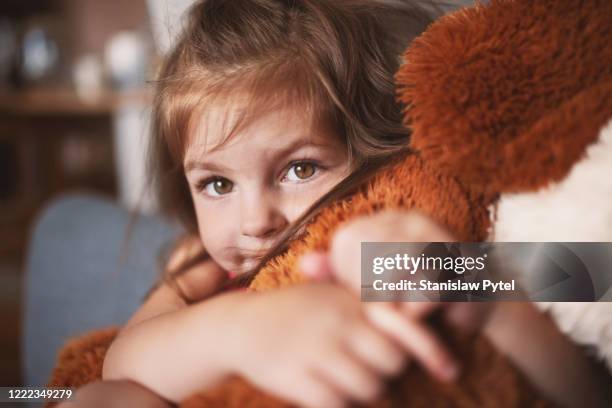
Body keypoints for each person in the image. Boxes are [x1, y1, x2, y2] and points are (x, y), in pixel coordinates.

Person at [65, 1, 612, 408]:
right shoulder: (208, 271)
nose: (255, 221)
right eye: (217, 184)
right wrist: (241, 329)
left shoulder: (400, 242)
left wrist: (475, 284)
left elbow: (592, 283)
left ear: (375, 146)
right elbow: (123, 361)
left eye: (300, 169)